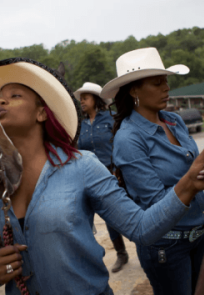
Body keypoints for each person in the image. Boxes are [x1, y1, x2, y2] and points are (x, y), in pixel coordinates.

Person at [0, 58, 204, 295]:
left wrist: (189, 185)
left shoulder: (81, 167)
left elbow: (141, 228)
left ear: (42, 113)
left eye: (14, 96)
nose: (0, 102)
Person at [101, 48, 204, 295]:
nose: (166, 88)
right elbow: (155, 202)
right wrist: (193, 180)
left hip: (199, 234)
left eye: (166, 81)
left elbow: (192, 168)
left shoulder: (173, 121)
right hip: (166, 247)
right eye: (157, 83)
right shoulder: (129, 139)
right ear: (133, 90)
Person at [74, 82, 129, 273]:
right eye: (80, 99)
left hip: (113, 172)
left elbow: (119, 145)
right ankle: (121, 254)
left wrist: (118, 170)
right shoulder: (79, 125)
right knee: (102, 215)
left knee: (121, 213)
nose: (81, 101)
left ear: (96, 100)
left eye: (85, 98)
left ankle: (142, 244)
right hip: (90, 176)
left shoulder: (111, 119)